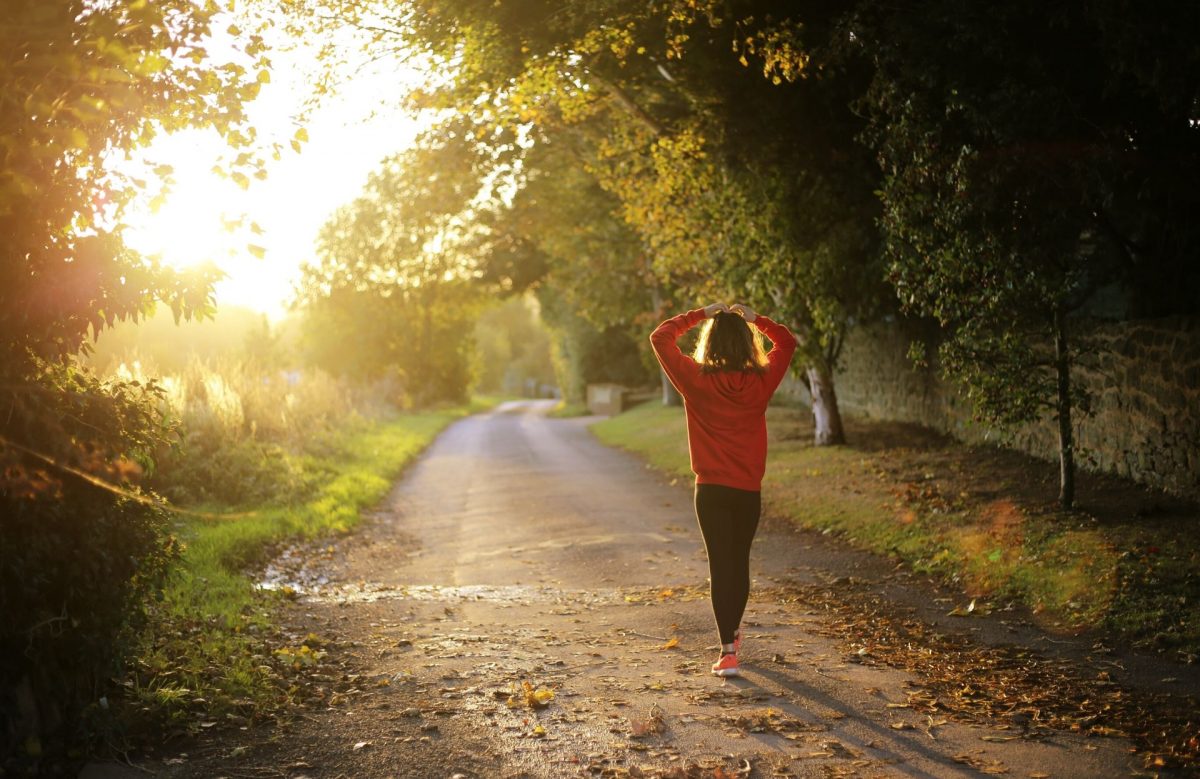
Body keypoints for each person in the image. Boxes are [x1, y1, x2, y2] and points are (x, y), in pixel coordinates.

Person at [649, 302, 797, 677]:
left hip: (711, 490)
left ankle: (728, 650)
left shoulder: (695, 379)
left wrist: (701, 314)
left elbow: (660, 337)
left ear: (709, 343)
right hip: (747, 490)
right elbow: (787, 342)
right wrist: (756, 319)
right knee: (739, 563)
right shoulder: (761, 380)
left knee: (721, 566)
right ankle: (732, 636)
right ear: (748, 344)